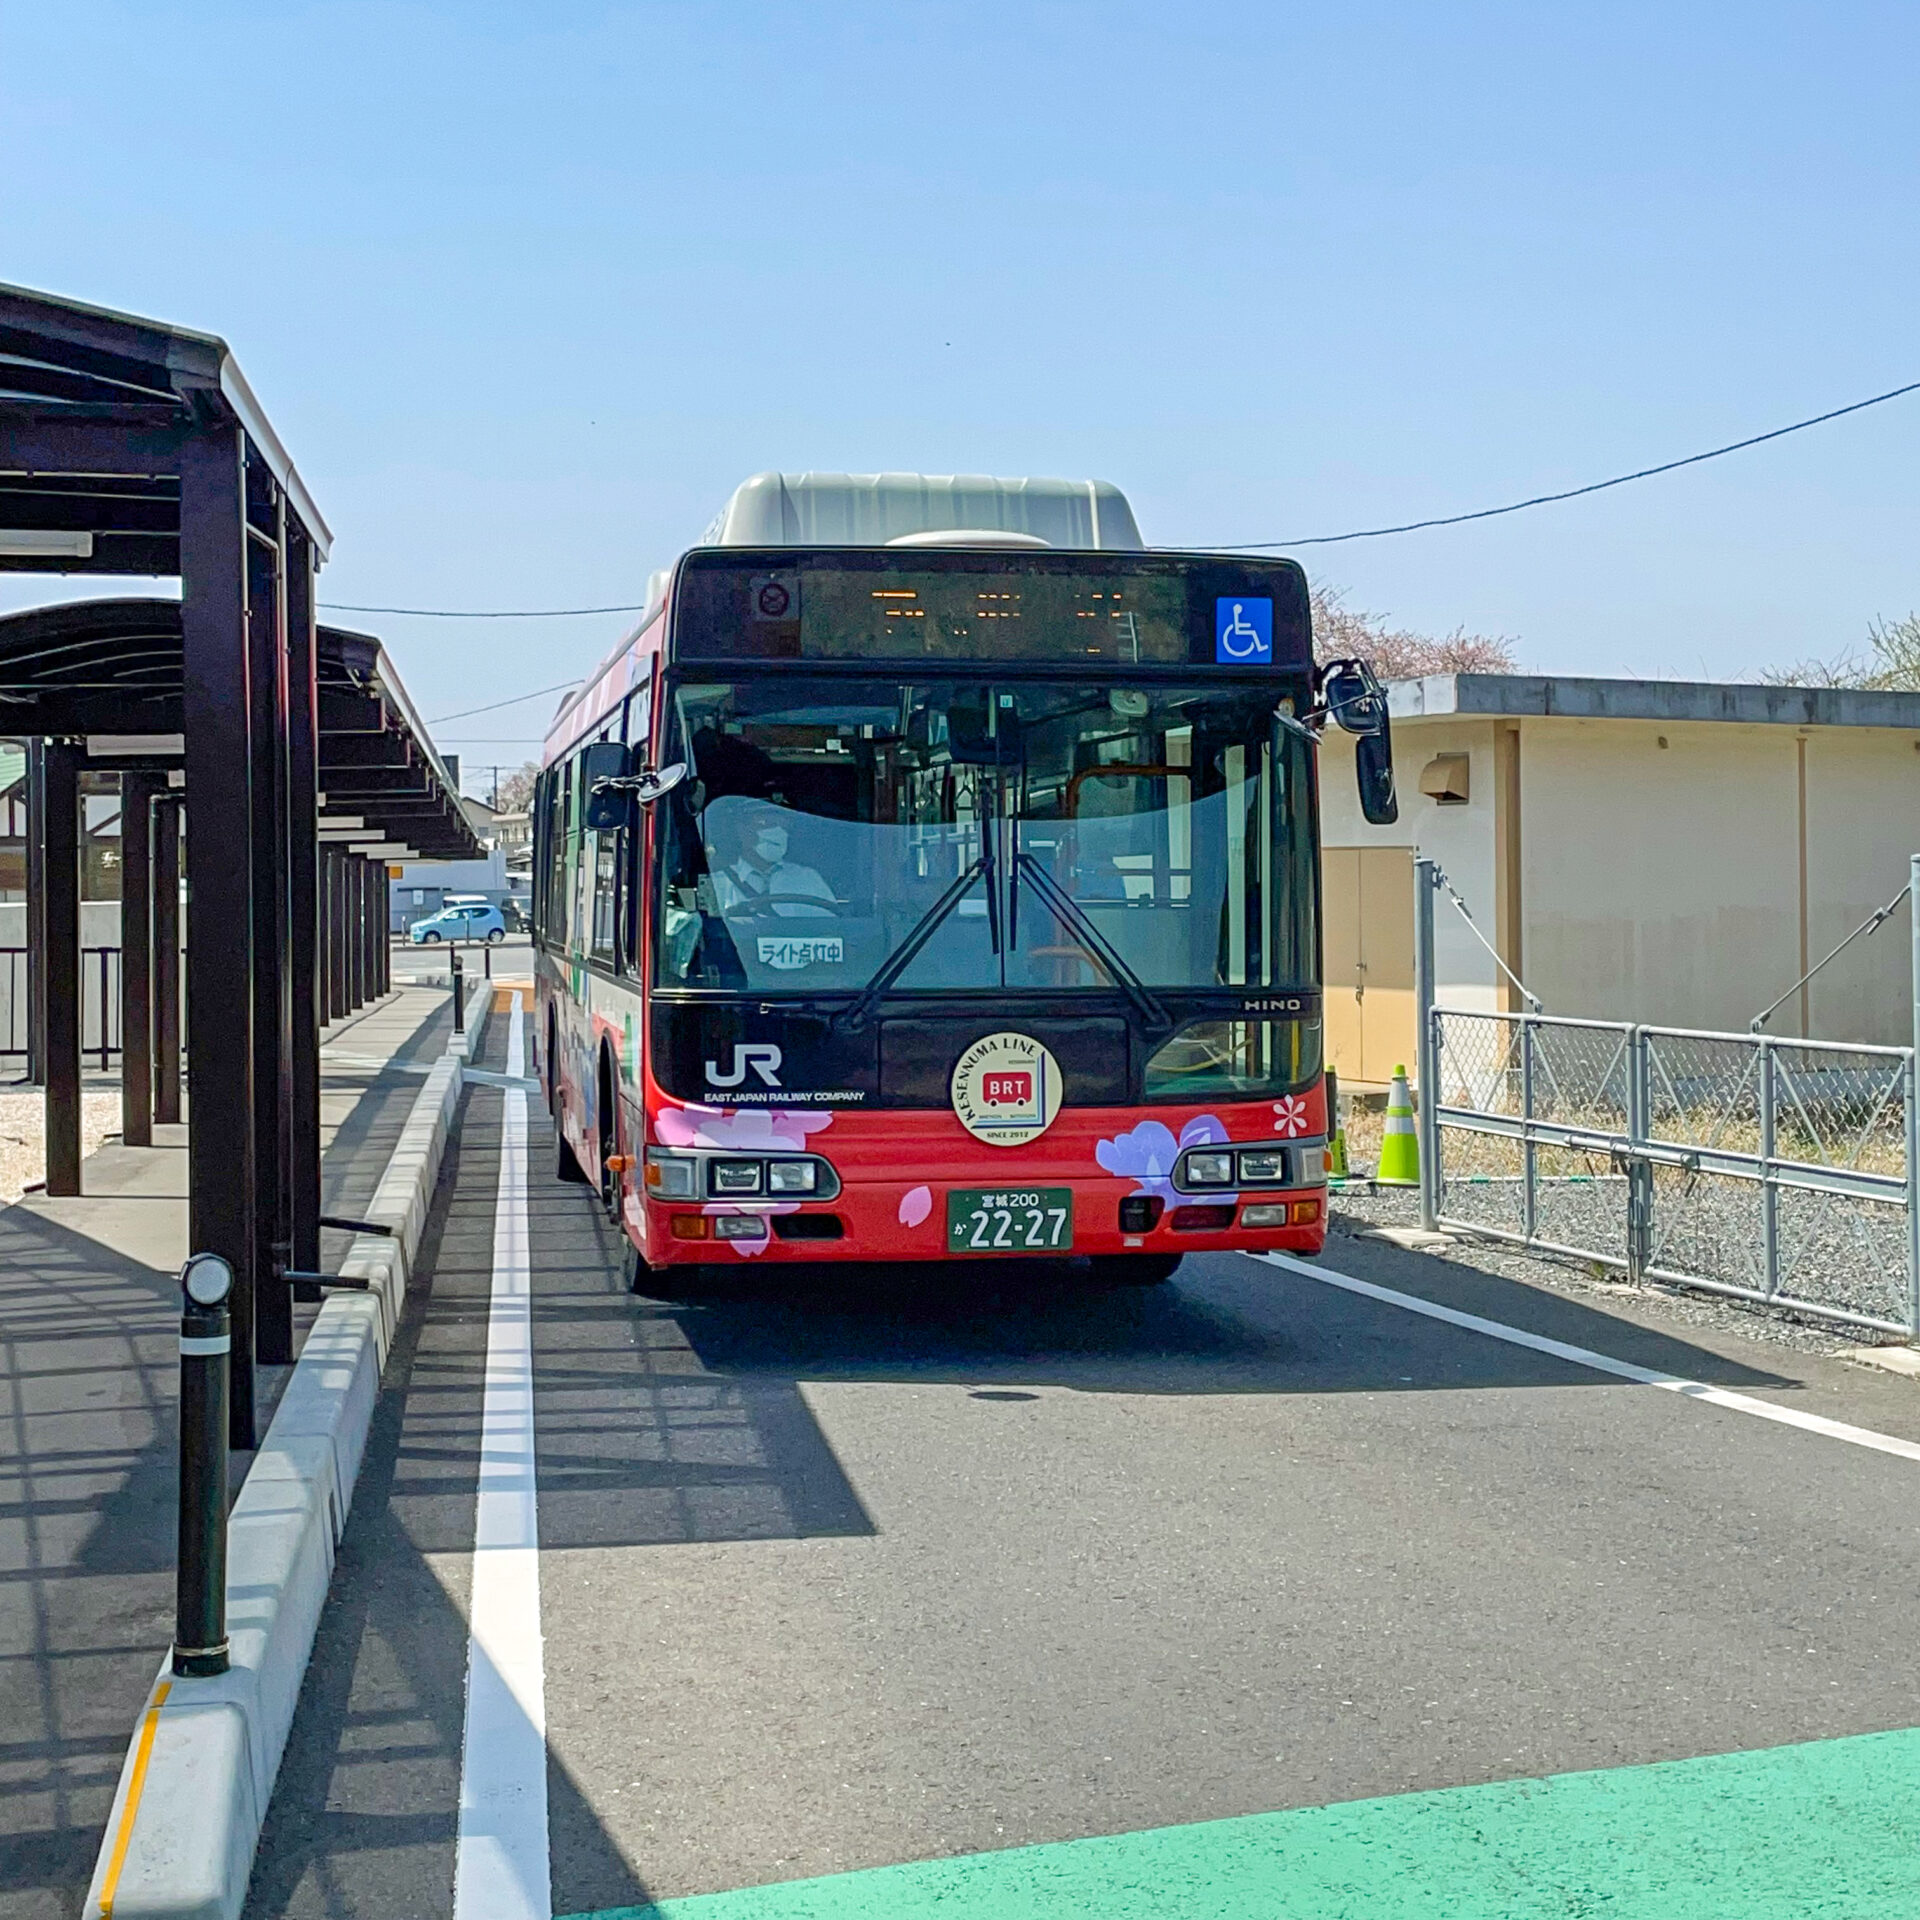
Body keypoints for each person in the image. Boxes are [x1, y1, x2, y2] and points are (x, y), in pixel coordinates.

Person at [708, 800, 837, 918]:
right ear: (741, 830)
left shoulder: (808, 878)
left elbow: (832, 930)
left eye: (783, 825)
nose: (778, 831)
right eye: (766, 824)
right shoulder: (719, 882)